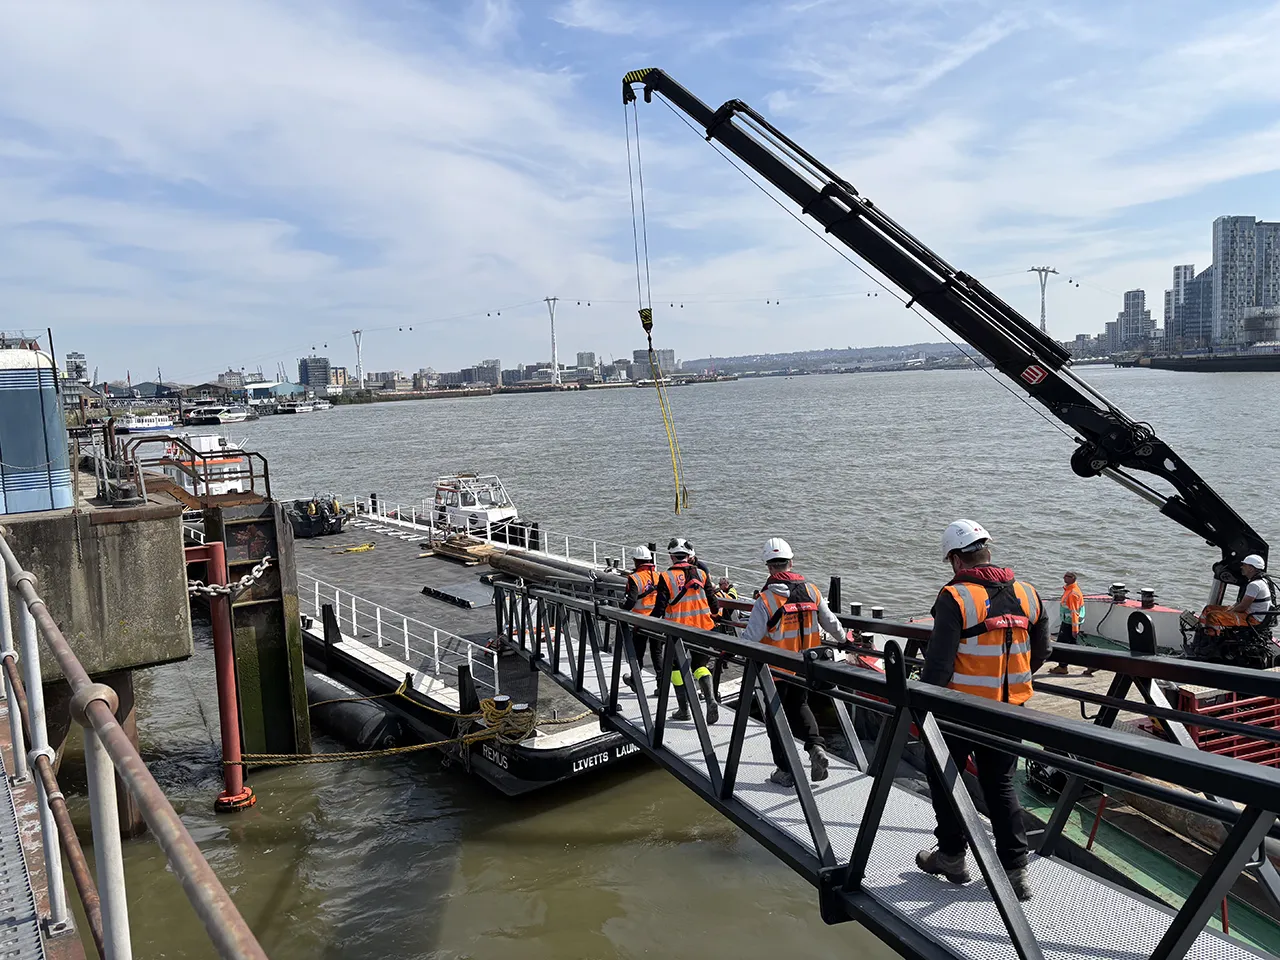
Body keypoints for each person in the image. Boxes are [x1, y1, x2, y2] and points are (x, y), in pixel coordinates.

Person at [916, 520, 1050, 902]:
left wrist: (922, 702)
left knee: (945, 779)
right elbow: (1041, 653)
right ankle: (1015, 870)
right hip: (1009, 709)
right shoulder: (1028, 593)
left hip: (960, 709)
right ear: (987, 550)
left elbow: (939, 667)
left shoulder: (955, 596)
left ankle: (952, 856)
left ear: (957, 559)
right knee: (1001, 784)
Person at [741, 537, 845, 787]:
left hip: (775, 671)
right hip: (805, 665)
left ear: (768, 567)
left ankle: (785, 771)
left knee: (774, 716)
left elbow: (751, 638)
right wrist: (844, 639)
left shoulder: (766, 600)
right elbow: (830, 622)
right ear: (791, 562)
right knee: (800, 705)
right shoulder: (812, 590)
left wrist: (734, 648)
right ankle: (816, 748)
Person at [651, 538, 721, 723]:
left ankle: (684, 710)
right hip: (703, 628)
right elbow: (713, 604)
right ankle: (710, 700)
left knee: (675, 668)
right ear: (689, 556)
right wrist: (715, 614)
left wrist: (646, 622)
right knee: (700, 667)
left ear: (671, 557)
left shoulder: (666, 577)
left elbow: (660, 607)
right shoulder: (701, 573)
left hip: (678, 630)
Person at [621, 546, 661, 694]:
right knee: (657, 653)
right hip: (657, 620)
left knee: (638, 652)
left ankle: (635, 681)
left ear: (637, 561)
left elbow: (631, 600)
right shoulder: (658, 575)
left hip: (640, 621)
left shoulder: (634, 578)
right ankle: (661, 685)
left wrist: (622, 611)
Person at [1049, 572, 1092, 676]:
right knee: (1069, 645)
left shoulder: (1072, 593)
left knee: (1064, 645)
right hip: (1069, 622)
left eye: (1067, 576)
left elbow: (1074, 612)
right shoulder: (1070, 589)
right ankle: (1063, 666)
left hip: (1070, 623)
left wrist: (1074, 629)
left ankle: (1090, 663)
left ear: (1072, 578)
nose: (1064, 577)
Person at [1227, 554, 1273, 628]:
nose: (1241, 567)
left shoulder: (1254, 585)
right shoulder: (1263, 580)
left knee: (1213, 616)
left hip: (1252, 619)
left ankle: (1211, 636)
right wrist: (1231, 609)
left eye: (1244, 565)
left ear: (1251, 569)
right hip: (1252, 614)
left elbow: (1242, 607)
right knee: (1210, 608)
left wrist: (1228, 613)